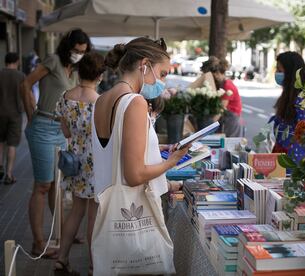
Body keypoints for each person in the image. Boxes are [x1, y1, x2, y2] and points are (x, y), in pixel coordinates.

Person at [92, 37, 190, 273]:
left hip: (109, 214)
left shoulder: (102, 99)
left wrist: (156, 149)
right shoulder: (135, 102)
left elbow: (116, 149)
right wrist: (171, 162)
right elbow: (135, 174)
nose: (163, 82)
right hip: (134, 216)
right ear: (144, 64)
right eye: (163, 73)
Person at [20, 28, 91, 258]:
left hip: (61, 129)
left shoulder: (75, 70)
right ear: (67, 47)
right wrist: (31, 114)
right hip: (43, 127)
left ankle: (63, 234)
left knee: (56, 186)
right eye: (76, 50)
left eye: (83, 51)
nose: (79, 54)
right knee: (42, 185)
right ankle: (38, 242)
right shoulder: (53, 61)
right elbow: (26, 84)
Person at [53, 52, 105, 275]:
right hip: (95, 164)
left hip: (74, 162)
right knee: (94, 216)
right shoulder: (101, 102)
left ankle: (61, 258)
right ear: (100, 75)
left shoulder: (66, 97)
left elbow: (65, 131)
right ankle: (94, 266)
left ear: (79, 71)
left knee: (76, 211)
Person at [268, 51, 305, 164]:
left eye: (280, 71)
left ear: (291, 73)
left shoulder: (301, 101)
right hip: (282, 156)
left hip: (293, 160)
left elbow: (304, 135)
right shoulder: (287, 97)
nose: (276, 73)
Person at [201, 56, 243, 137]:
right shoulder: (223, 84)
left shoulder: (228, 85)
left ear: (220, 73)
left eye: (216, 75)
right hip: (228, 117)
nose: (215, 77)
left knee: (231, 141)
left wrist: (211, 124)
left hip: (232, 118)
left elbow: (222, 107)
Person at [0, 52, 25, 184]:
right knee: (12, 144)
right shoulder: (21, 76)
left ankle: (0, 167)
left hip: (0, 113)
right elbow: (25, 95)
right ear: (17, 61)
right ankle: (9, 174)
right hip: (15, 114)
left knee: (0, 141)